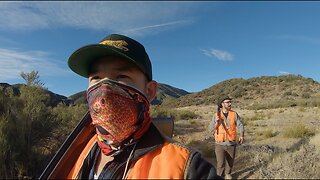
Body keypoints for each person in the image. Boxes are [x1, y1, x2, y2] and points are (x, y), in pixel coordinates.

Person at [50, 34, 221, 179]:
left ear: (150, 91)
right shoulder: (80, 146)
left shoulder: (187, 167)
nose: (104, 89)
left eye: (121, 76)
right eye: (96, 77)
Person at [209, 96, 244, 179]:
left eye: (230, 102)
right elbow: (210, 129)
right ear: (222, 104)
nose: (230, 104)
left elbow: (240, 125)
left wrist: (241, 135)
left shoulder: (234, 114)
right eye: (227, 102)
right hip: (219, 144)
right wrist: (216, 123)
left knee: (230, 162)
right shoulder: (216, 115)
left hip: (231, 142)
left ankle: (228, 174)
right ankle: (219, 177)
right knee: (220, 163)